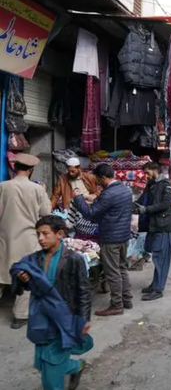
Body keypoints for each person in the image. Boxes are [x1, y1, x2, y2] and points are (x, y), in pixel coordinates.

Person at [11, 215, 92, 390]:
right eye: (38, 234)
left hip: (64, 317)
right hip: (40, 316)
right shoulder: (35, 259)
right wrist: (24, 279)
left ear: (60, 234)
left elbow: (84, 291)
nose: (40, 238)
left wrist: (84, 319)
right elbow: (28, 285)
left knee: (51, 367)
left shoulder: (73, 259)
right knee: (42, 360)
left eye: (45, 234)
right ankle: (75, 367)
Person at [73, 164, 133, 316]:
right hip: (124, 236)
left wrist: (78, 198)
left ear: (103, 178)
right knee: (121, 269)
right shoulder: (125, 190)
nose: (97, 183)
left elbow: (90, 214)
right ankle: (127, 299)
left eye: (98, 180)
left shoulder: (109, 194)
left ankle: (117, 305)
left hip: (111, 238)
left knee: (112, 272)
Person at [0, 153, 51, 329]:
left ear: (15, 168)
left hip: (5, 238)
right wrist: (43, 191)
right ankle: (20, 316)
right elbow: (46, 212)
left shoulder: (3, 186)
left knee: (1, 274)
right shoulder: (37, 189)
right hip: (28, 239)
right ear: (31, 170)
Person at [135, 162, 171, 301]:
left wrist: (146, 210)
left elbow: (165, 204)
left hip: (163, 226)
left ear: (154, 170)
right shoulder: (151, 185)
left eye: (147, 173)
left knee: (160, 258)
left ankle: (158, 290)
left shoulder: (166, 184)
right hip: (153, 225)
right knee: (155, 255)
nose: (146, 176)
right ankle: (154, 285)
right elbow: (142, 200)